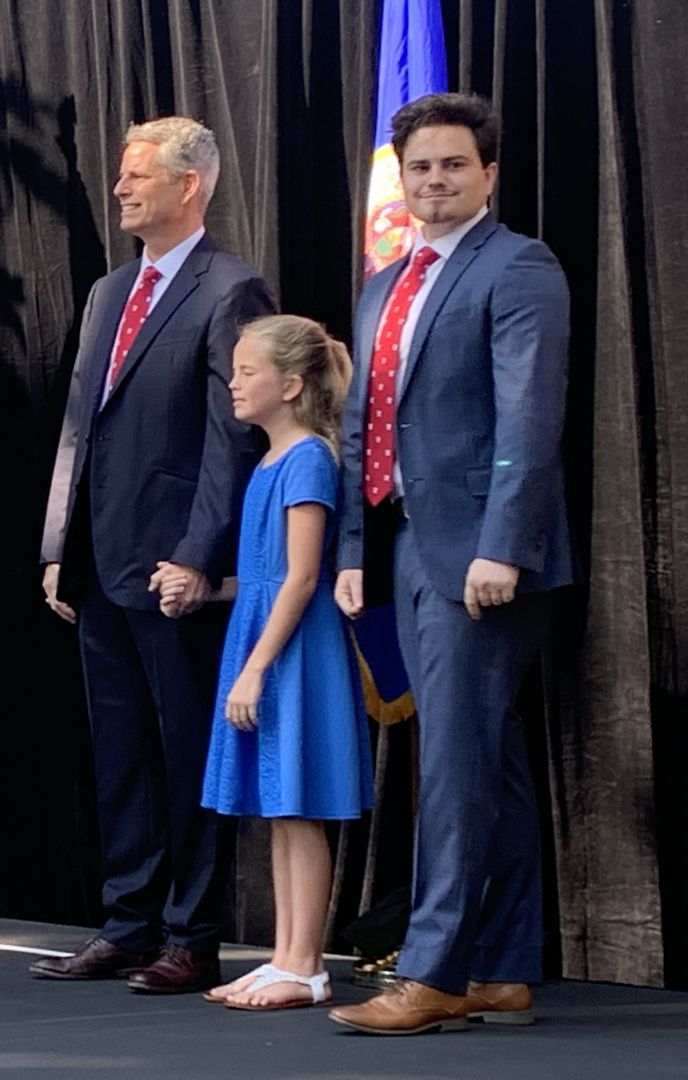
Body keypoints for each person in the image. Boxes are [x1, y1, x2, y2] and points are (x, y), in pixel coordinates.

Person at [328, 93, 572, 1035]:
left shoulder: (521, 266)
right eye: (420, 167)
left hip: (479, 559)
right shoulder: (388, 282)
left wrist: (502, 545)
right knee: (488, 764)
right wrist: (353, 549)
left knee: (455, 772)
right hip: (400, 550)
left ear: (488, 173)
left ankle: (430, 976)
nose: (434, 181)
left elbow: (529, 417)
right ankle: (502, 969)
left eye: (453, 166)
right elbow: (362, 428)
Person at [34, 117, 276, 994]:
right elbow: (78, 426)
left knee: (185, 754)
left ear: (190, 185)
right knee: (122, 753)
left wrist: (198, 556)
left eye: (139, 175)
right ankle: (128, 922)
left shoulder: (231, 290)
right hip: (100, 564)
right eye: (122, 173)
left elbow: (230, 440)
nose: (122, 187)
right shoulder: (108, 291)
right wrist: (61, 543)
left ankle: (192, 933)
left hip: (174, 570)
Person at [164, 315, 374, 1011]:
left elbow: (303, 577)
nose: (234, 382)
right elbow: (265, 571)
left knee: (301, 804)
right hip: (264, 635)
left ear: (289, 385)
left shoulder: (309, 459)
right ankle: (285, 956)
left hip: (293, 649)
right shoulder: (269, 461)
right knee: (280, 809)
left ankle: (307, 966)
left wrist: (255, 667)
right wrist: (206, 587)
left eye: (248, 371)